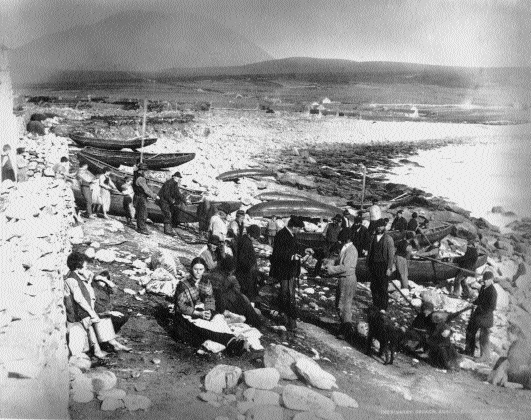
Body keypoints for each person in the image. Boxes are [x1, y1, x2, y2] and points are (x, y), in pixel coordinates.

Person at [172, 257, 248, 355]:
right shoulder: (183, 284)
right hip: (187, 315)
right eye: (195, 269)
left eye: (200, 269)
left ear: (204, 270)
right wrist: (198, 314)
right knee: (204, 329)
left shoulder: (206, 282)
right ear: (191, 269)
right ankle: (231, 343)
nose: (197, 272)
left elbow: (210, 298)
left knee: (219, 320)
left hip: (203, 310)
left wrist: (209, 310)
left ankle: (233, 340)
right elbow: (180, 306)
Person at [63, 252, 106, 358]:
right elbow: (79, 299)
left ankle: (99, 347)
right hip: (75, 311)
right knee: (91, 319)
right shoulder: (71, 279)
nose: (87, 270)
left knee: (95, 318)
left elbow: (87, 293)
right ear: (78, 267)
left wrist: (88, 280)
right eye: (85, 267)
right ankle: (97, 349)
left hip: (81, 309)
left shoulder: (78, 276)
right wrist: (91, 312)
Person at [206, 256, 265, 328]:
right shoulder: (222, 278)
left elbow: (235, 288)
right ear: (230, 270)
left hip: (225, 298)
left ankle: (256, 317)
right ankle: (256, 321)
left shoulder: (218, 273)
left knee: (244, 300)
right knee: (244, 302)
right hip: (222, 302)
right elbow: (219, 296)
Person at [269, 215, 305, 330]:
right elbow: (277, 254)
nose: (299, 230)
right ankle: (288, 319)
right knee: (286, 295)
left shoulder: (291, 234)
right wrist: (292, 257)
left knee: (288, 295)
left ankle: (287, 318)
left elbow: (294, 249)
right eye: (298, 228)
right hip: (284, 271)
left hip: (290, 271)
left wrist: (302, 252)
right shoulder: (282, 235)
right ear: (293, 226)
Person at [324, 228, 358, 339]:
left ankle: (346, 330)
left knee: (345, 305)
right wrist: (329, 262)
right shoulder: (345, 248)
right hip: (343, 279)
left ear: (347, 238)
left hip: (348, 279)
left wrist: (331, 269)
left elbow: (345, 267)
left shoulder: (351, 250)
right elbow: (339, 261)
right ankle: (345, 327)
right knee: (340, 304)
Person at [465, 271, 497, 361]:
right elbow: (479, 300)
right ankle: (469, 351)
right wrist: (473, 303)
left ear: (491, 280)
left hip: (486, 317)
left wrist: (480, 308)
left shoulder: (493, 292)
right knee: (470, 330)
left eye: (487, 280)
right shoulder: (483, 288)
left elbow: (492, 307)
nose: (485, 282)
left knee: (484, 337)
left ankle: (484, 356)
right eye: (484, 280)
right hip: (478, 315)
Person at [367, 219, 395, 311]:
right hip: (373, 265)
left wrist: (389, 268)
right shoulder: (373, 237)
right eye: (378, 226)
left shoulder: (388, 239)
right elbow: (370, 251)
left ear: (384, 227)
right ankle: (376, 304)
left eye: (381, 226)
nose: (379, 228)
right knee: (373, 286)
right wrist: (368, 264)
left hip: (383, 266)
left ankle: (383, 306)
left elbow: (391, 255)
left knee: (383, 287)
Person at [234, 225, 261, 303]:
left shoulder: (246, 240)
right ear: (249, 234)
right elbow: (243, 259)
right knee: (247, 291)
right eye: (254, 238)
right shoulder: (246, 242)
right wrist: (251, 267)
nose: (255, 239)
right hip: (245, 273)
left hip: (246, 271)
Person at [133, 163, 159, 235]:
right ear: (142, 171)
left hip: (137, 196)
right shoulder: (141, 178)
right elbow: (146, 190)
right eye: (145, 171)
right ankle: (141, 229)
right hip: (141, 197)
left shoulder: (136, 175)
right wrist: (154, 196)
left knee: (139, 212)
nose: (146, 173)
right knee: (143, 213)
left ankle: (140, 228)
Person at [158, 171, 186, 236]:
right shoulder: (169, 183)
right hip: (163, 200)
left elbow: (177, 193)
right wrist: (172, 201)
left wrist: (184, 200)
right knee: (168, 214)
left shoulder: (175, 184)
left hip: (168, 201)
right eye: (178, 177)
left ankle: (170, 228)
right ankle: (167, 231)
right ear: (174, 177)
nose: (179, 179)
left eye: (179, 178)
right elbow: (166, 194)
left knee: (171, 213)